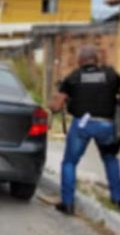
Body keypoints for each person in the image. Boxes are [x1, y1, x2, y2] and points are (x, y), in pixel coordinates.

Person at [49, 45, 120, 215]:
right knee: (110, 159)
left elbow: (56, 108)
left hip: (82, 125)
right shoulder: (111, 75)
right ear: (96, 60)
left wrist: (55, 99)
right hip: (106, 125)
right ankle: (117, 198)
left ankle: (67, 203)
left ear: (80, 61)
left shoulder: (73, 77)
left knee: (69, 162)